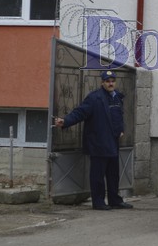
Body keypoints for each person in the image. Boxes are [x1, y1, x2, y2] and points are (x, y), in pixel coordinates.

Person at [55, 70, 133, 211]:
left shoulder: (116, 97)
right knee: (97, 175)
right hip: (99, 143)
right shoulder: (94, 98)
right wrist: (65, 121)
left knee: (113, 174)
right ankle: (98, 202)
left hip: (113, 142)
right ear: (102, 83)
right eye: (107, 81)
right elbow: (80, 112)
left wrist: (121, 130)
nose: (110, 84)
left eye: (112, 81)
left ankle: (115, 200)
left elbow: (118, 116)